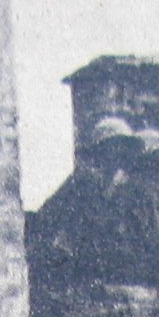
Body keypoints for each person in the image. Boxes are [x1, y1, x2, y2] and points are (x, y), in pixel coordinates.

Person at [31, 115, 136, 295]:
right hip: (79, 272)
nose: (118, 155)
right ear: (100, 152)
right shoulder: (81, 183)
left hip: (110, 274)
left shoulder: (124, 191)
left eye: (122, 148)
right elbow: (46, 219)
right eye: (112, 148)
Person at [105, 130, 159, 287]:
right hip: (136, 279)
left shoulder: (152, 197)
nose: (158, 172)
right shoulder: (136, 195)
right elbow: (158, 246)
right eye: (153, 163)